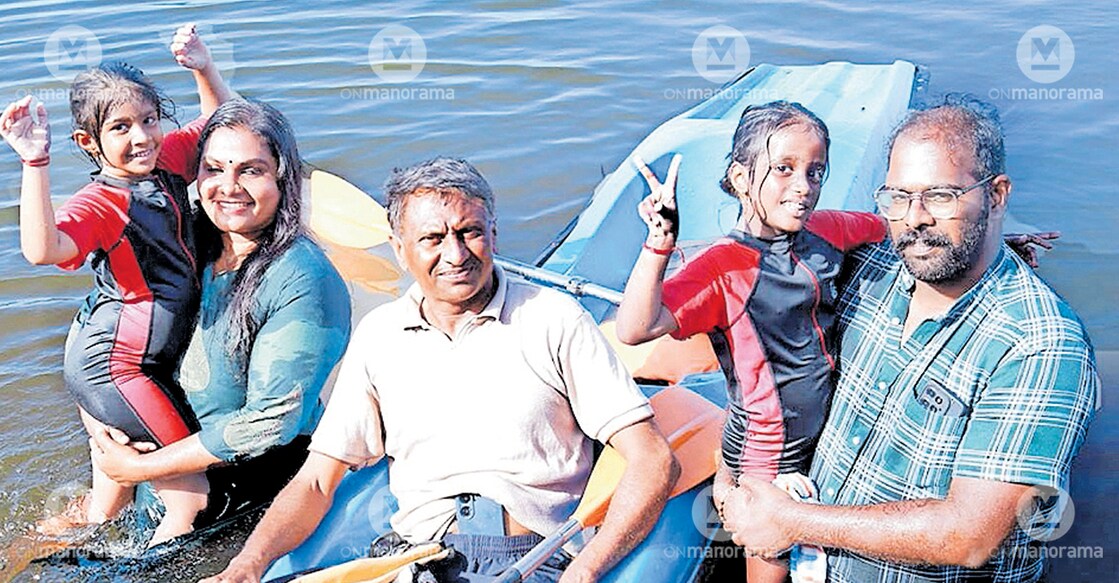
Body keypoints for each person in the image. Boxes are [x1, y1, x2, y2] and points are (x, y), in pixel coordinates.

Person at [202, 157, 677, 583]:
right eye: (432, 238)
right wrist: (248, 563)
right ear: (400, 249)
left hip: (528, 557)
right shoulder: (379, 335)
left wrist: (587, 568)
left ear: (494, 232)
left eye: (469, 231)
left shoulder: (553, 318)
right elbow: (316, 480)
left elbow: (653, 458)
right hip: (415, 558)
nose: (455, 255)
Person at [718, 96, 1100, 582]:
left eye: (939, 196)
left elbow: (969, 536)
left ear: (997, 196)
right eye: (898, 197)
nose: (914, 218)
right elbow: (755, 273)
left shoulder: (1041, 345)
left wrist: (788, 520)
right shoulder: (867, 268)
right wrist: (731, 472)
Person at [616, 101, 889, 582]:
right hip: (767, 453)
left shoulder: (826, 231)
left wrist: (993, 240)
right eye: (783, 170)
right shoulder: (723, 268)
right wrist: (659, 241)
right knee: (771, 571)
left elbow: (896, 228)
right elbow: (635, 328)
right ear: (741, 179)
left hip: (827, 433)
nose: (803, 187)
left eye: (815, 171)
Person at [0, 24, 235, 544]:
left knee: (106, 506)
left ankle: (37, 551)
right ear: (88, 142)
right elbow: (43, 249)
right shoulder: (101, 204)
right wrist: (34, 162)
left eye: (149, 120)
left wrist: (202, 66)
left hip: (112, 358)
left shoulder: (169, 160)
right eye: (121, 128)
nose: (141, 137)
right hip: (116, 367)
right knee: (191, 492)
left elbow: (221, 124)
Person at [88, 99, 351, 541]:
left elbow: (272, 420)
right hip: (153, 470)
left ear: (284, 179)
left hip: (246, 485)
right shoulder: (184, 242)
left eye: (250, 170)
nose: (228, 186)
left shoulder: (302, 278)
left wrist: (140, 467)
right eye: (214, 169)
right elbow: (104, 328)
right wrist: (108, 443)